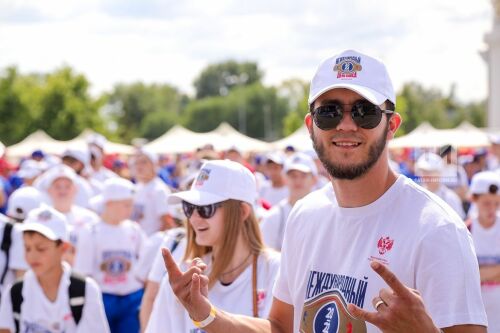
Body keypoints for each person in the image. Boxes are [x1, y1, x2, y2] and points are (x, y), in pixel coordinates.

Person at [162, 50, 487, 332]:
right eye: (329, 112)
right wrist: (205, 314)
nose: (346, 125)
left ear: (391, 126)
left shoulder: (436, 230)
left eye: (365, 111)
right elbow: (279, 327)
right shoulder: (305, 215)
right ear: (310, 126)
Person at [145, 159, 280, 332]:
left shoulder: (276, 270)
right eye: (189, 207)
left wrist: (207, 316)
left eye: (206, 208)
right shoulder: (183, 277)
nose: (193, 218)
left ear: (242, 212)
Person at [0, 205, 110, 332]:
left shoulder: (85, 290)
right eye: (27, 248)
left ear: (63, 248)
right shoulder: (14, 292)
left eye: (41, 249)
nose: (32, 256)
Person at [73, 178, 147, 333]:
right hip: (103, 296)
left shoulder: (134, 229)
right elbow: (83, 272)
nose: (130, 209)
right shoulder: (91, 231)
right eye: (126, 205)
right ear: (110, 203)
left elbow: (145, 262)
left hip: (131, 296)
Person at [260, 152, 317, 250]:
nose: (298, 180)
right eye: (293, 175)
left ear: (314, 180)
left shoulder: (326, 213)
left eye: (303, 175)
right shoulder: (274, 216)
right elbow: (266, 255)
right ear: (285, 179)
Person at [466, 171, 500, 332]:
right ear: (474, 199)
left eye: (497, 203)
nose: (492, 209)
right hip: (475, 311)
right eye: (487, 203)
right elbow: (462, 275)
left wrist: (478, 273)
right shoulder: (465, 229)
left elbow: (471, 274)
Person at [131, 148, 173, 235]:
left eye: (144, 162)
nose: (139, 166)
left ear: (154, 165)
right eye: (136, 163)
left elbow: (167, 222)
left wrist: (154, 243)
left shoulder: (159, 190)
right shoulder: (137, 188)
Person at [415, 152, 466, 218]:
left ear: (439, 173)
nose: (425, 175)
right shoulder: (417, 195)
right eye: (423, 172)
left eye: (430, 172)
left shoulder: (451, 198)